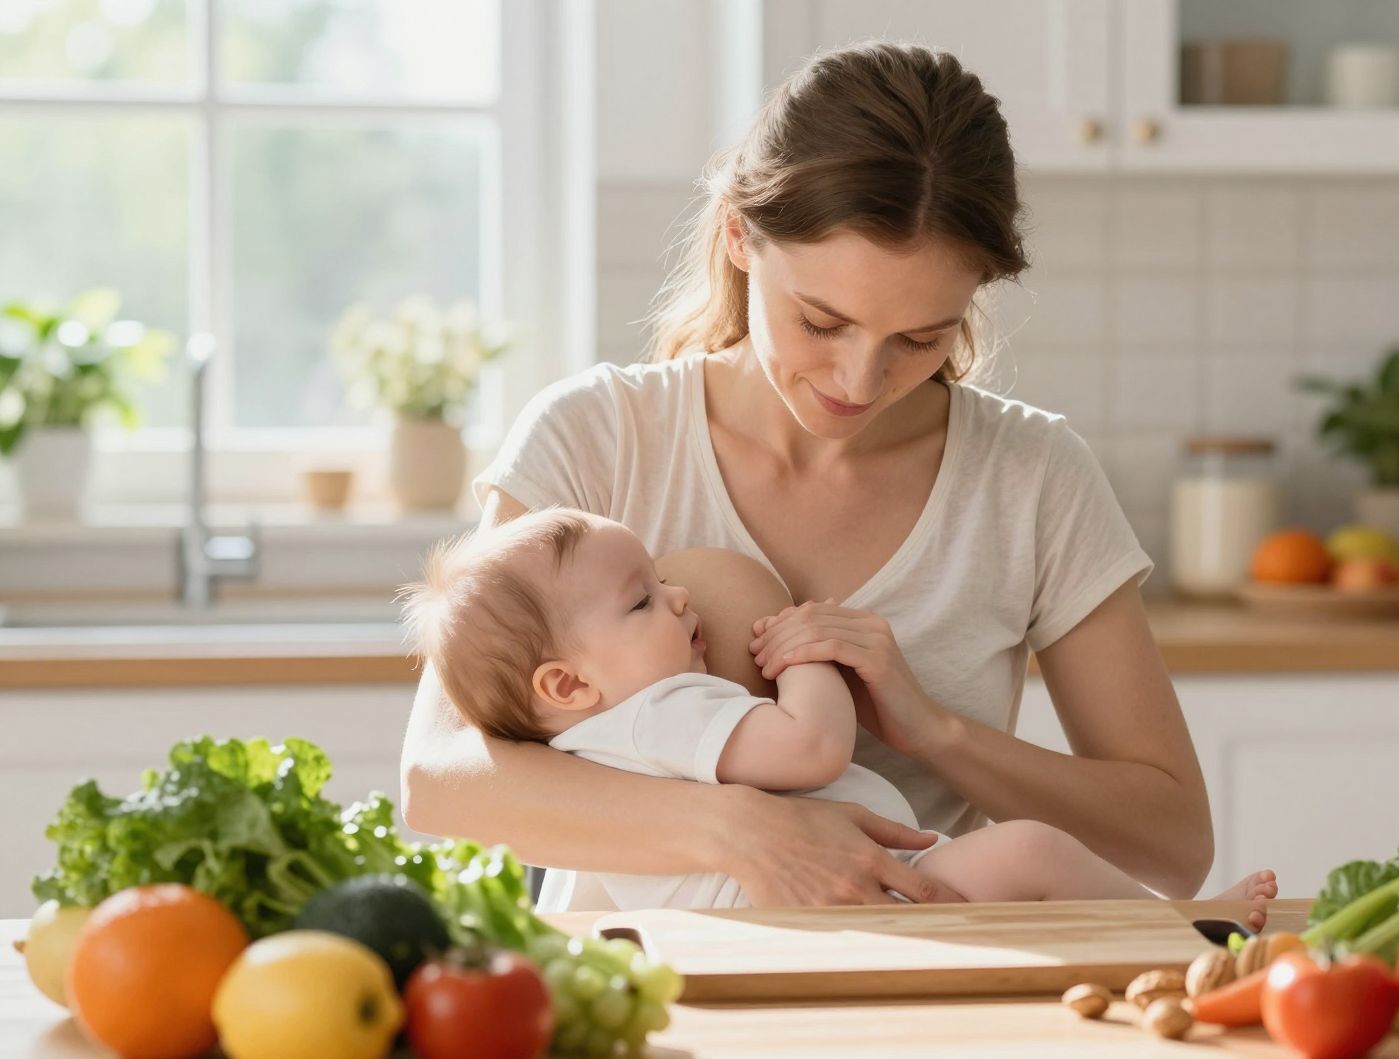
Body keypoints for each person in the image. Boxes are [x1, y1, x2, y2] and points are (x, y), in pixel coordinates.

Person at [399, 41, 1220, 911]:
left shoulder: (1031, 477)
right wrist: (747, 834)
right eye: (822, 323)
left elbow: (1175, 849)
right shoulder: (600, 435)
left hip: (932, 965)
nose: (860, 382)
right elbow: (440, 780)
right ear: (738, 237)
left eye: (921, 339)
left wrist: (937, 732)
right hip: (646, 981)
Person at [398, 508, 1277, 918]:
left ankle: (1176, 937)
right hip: (824, 909)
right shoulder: (656, 714)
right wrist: (805, 654)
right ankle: (1187, 934)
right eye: (642, 602)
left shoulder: (610, 728)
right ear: (565, 687)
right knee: (1032, 853)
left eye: (660, 582)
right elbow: (813, 746)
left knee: (1030, 875)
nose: (679, 597)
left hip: (813, 912)